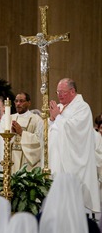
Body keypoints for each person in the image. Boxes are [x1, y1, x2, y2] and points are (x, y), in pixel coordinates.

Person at [49, 78, 100, 213]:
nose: (59, 95)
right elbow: (53, 130)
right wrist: (52, 119)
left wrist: (58, 118)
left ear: (72, 91)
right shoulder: (60, 107)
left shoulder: (82, 107)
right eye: (57, 92)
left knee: (72, 205)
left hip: (73, 161)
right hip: (56, 159)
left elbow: (76, 132)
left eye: (62, 92)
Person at [10, 92, 43, 172]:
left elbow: (39, 141)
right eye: (16, 101)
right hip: (12, 159)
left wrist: (22, 133)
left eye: (21, 101)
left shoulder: (37, 120)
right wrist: (11, 134)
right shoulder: (9, 118)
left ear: (29, 103)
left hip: (27, 161)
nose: (18, 104)